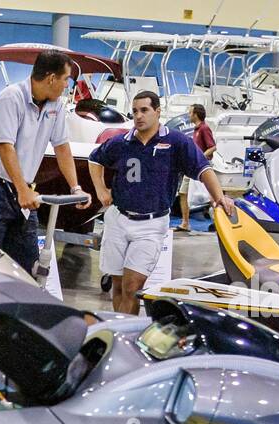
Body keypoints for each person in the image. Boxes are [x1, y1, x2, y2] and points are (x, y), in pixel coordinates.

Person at [88, 91, 236, 315]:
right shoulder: (121, 142)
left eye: (144, 110)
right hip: (118, 219)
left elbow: (203, 169)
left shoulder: (176, 142)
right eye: (135, 111)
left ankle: (124, 336)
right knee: (118, 286)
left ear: (157, 112)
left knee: (132, 286)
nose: (139, 116)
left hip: (151, 225)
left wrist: (219, 197)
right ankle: (119, 329)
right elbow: (94, 159)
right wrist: (100, 189)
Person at [0, 50, 90, 276]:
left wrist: (76, 187)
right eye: (66, 79)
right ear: (51, 78)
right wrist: (21, 189)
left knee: (27, 263)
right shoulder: (10, 97)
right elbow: (5, 146)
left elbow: (62, 147)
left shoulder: (56, 105)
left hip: (25, 191)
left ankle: (17, 308)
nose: (67, 86)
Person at [177, 103, 217, 232]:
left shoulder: (204, 129)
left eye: (190, 112)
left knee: (210, 196)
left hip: (201, 167)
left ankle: (219, 222)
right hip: (192, 167)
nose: (189, 115)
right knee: (183, 193)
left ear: (195, 114)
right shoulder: (197, 129)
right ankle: (185, 223)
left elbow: (213, 147)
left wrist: (200, 157)